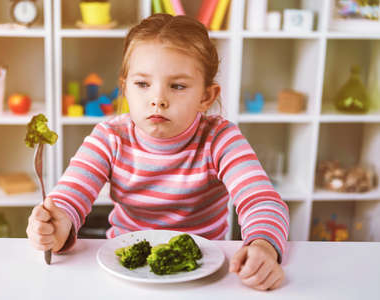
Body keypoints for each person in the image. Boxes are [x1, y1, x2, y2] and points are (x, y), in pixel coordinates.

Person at [27, 13, 289, 291]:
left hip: (204, 276)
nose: (158, 100)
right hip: (124, 275)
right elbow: (69, 198)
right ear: (125, 88)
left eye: (177, 86)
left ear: (206, 97)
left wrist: (263, 245)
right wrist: (56, 226)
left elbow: (262, 202)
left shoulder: (220, 139)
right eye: (142, 84)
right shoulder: (109, 137)